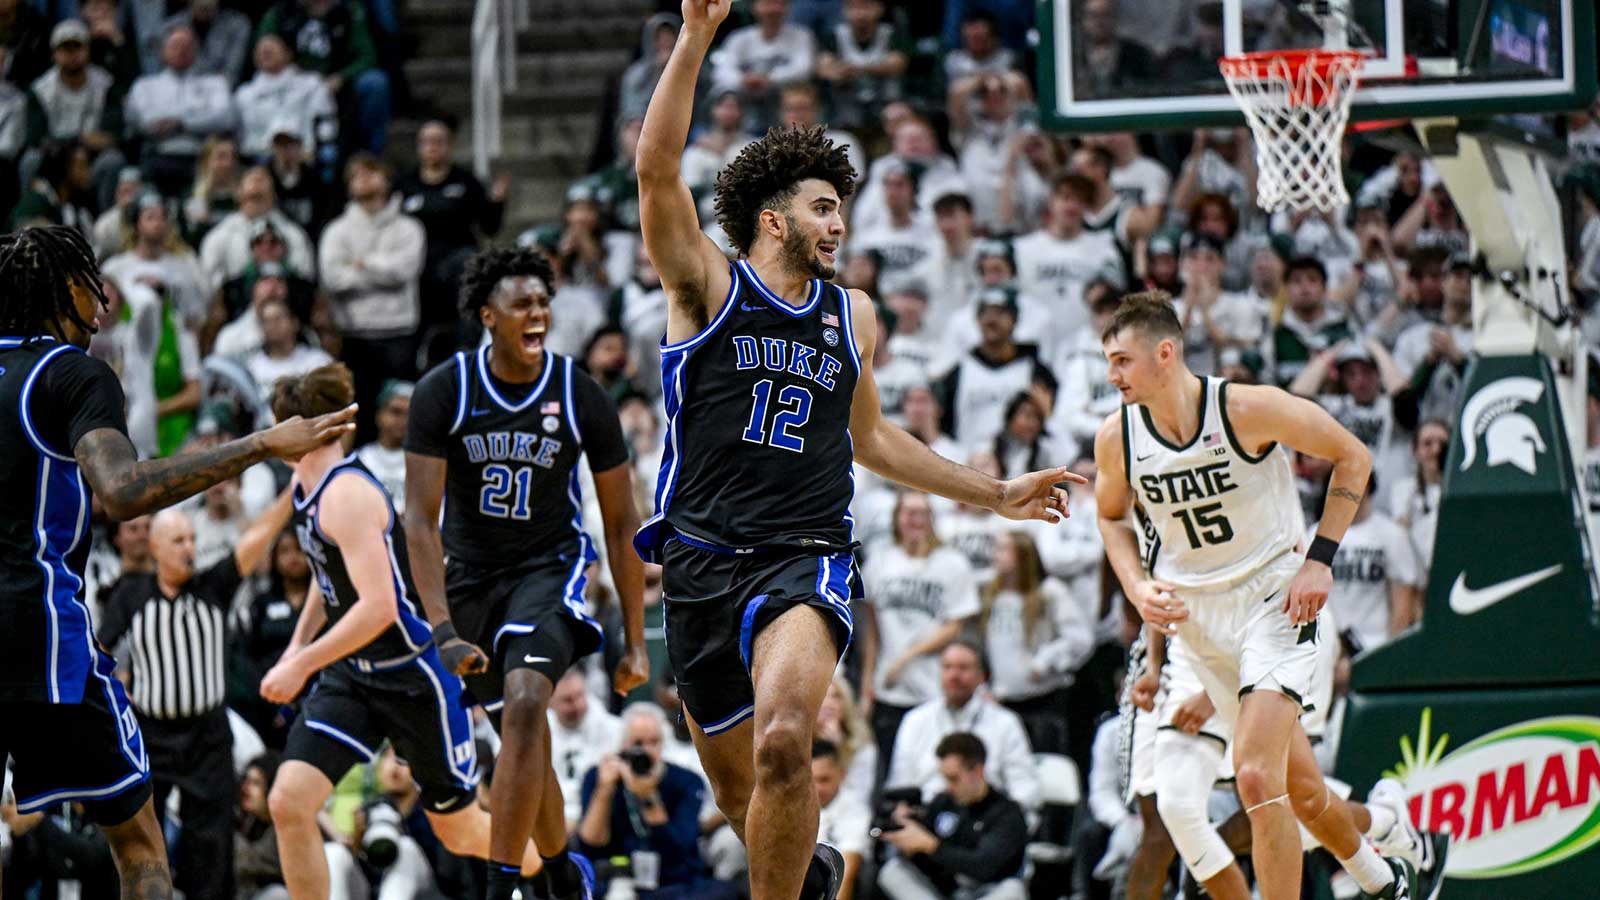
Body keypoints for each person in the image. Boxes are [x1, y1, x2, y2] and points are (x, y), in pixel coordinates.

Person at [633, 6, 1078, 896]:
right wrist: (694, 37)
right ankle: (810, 872)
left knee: (787, 740)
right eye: (823, 207)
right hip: (699, 562)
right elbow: (654, 170)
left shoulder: (853, 314)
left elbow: (868, 436)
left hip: (805, 556)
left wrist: (994, 495)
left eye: (844, 210)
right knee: (742, 792)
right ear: (772, 217)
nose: (839, 225)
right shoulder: (706, 284)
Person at [0, 225, 353, 900]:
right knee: (140, 853)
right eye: (89, 282)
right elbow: (125, 490)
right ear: (59, 288)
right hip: (38, 635)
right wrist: (258, 446)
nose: (103, 300)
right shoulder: (72, 373)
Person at [1092, 292, 1433, 900]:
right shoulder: (1116, 439)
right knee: (1300, 794)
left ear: (1164, 353)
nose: (1111, 374)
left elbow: (1352, 455)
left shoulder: (1246, 408)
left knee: (1254, 775)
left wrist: (1319, 560)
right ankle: (1392, 863)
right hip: (1198, 624)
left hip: (1275, 601)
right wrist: (1136, 586)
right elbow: (1113, 519)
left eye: (1121, 360)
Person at [402, 245, 649, 900]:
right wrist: (442, 627)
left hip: (552, 567)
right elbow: (419, 522)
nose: (538, 313)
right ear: (489, 315)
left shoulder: (578, 394)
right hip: (472, 581)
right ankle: (561, 872)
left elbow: (623, 523)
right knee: (525, 733)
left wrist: (633, 639)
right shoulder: (445, 391)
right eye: (523, 304)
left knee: (525, 700)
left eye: (544, 302)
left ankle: (501, 885)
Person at [258, 363, 547, 899]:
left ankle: (550, 874)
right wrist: (298, 645)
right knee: (288, 801)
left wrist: (302, 662)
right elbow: (330, 585)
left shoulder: (345, 496)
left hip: (412, 673)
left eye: (283, 425)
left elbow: (378, 608)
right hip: (355, 675)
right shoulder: (304, 485)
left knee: (459, 832)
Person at [96, 492, 295, 899]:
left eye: (191, 538)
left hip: (208, 734)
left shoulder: (213, 585)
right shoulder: (131, 595)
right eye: (178, 541)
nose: (190, 547)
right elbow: (99, 651)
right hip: (152, 735)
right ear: (154, 547)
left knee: (211, 845)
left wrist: (294, 492)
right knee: (140, 839)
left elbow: (256, 539)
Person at [577, 703, 738, 900]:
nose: (646, 751)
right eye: (638, 743)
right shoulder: (598, 776)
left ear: (663, 743)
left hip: (673, 879)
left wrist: (649, 798)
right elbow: (590, 845)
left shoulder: (686, 781)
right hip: (616, 877)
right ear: (623, 745)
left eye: (653, 742)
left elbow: (681, 849)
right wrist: (604, 791)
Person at [883, 640, 1040, 811]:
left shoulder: (1005, 723)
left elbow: (1025, 788)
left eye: (963, 668)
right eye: (947, 667)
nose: (954, 675)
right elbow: (900, 784)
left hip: (984, 819)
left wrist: (1002, 821)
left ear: (981, 676)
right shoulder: (915, 720)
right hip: (927, 815)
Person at [876, 732, 1028, 900]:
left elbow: (983, 867)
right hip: (944, 893)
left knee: (1013, 890)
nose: (949, 786)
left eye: (954, 779)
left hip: (986, 892)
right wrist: (909, 843)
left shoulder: (1007, 813)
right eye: (945, 779)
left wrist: (931, 846)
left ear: (977, 771)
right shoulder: (943, 802)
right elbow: (928, 862)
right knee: (893, 871)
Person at [549, 668, 623, 831]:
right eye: (567, 700)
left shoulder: (615, 730)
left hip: (600, 818)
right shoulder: (539, 731)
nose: (577, 705)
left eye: (580, 695)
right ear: (550, 702)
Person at [810, 739, 869, 900]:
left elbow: (849, 865)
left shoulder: (855, 808)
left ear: (841, 775)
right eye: (810, 780)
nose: (817, 789)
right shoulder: (788, 805)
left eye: (824, 780)